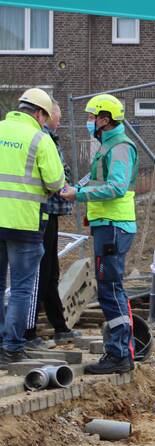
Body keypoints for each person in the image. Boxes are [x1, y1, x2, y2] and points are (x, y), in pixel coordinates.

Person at [61, 94, 137, 374]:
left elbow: (116, 187)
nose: (90, 122)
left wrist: (79, 194)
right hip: (108, 225)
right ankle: (119, 353)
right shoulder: (108, 145)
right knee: (110, 287)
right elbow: (98, 180)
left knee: (111, 288)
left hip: (113, 226)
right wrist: (75, 188)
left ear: (105, 119)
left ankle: (119, 355)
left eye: (93, 117)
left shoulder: (118, 147)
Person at [0, 89, 66, 364]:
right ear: (40, 113)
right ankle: (12, 346)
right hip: (24, 224)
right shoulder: (40, 138)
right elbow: (56, 182)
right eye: (46, 116)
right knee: (21, 288)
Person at [26, 102, 78, 348]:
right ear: (45, 116)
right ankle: (29, 331)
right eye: (58, 117)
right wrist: (67, 186)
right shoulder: (44, 139)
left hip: (47, 214)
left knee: (50, 272)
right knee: (42, 272)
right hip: (42, 214)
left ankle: (59, 327)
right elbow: (56, 177)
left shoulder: (47, 138)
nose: (60, 121)